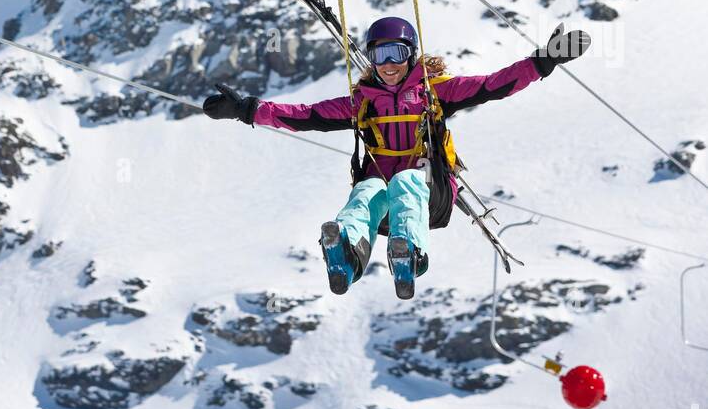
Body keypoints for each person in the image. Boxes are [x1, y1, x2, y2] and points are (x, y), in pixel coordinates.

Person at [203, 18, 590, 299]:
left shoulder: (434, 92)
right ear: (371, 58)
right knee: (366, 190)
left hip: (431, 194)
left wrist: (542, 62)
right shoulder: (361, 102)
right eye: (380, 55)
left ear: (411, 55)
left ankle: (411, 254)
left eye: (397, 54)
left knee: (405, 181)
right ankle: (348, 255)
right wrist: (247, 110)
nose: (389, 64)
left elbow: (493, 85)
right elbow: (305, 116)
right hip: (385, 205)